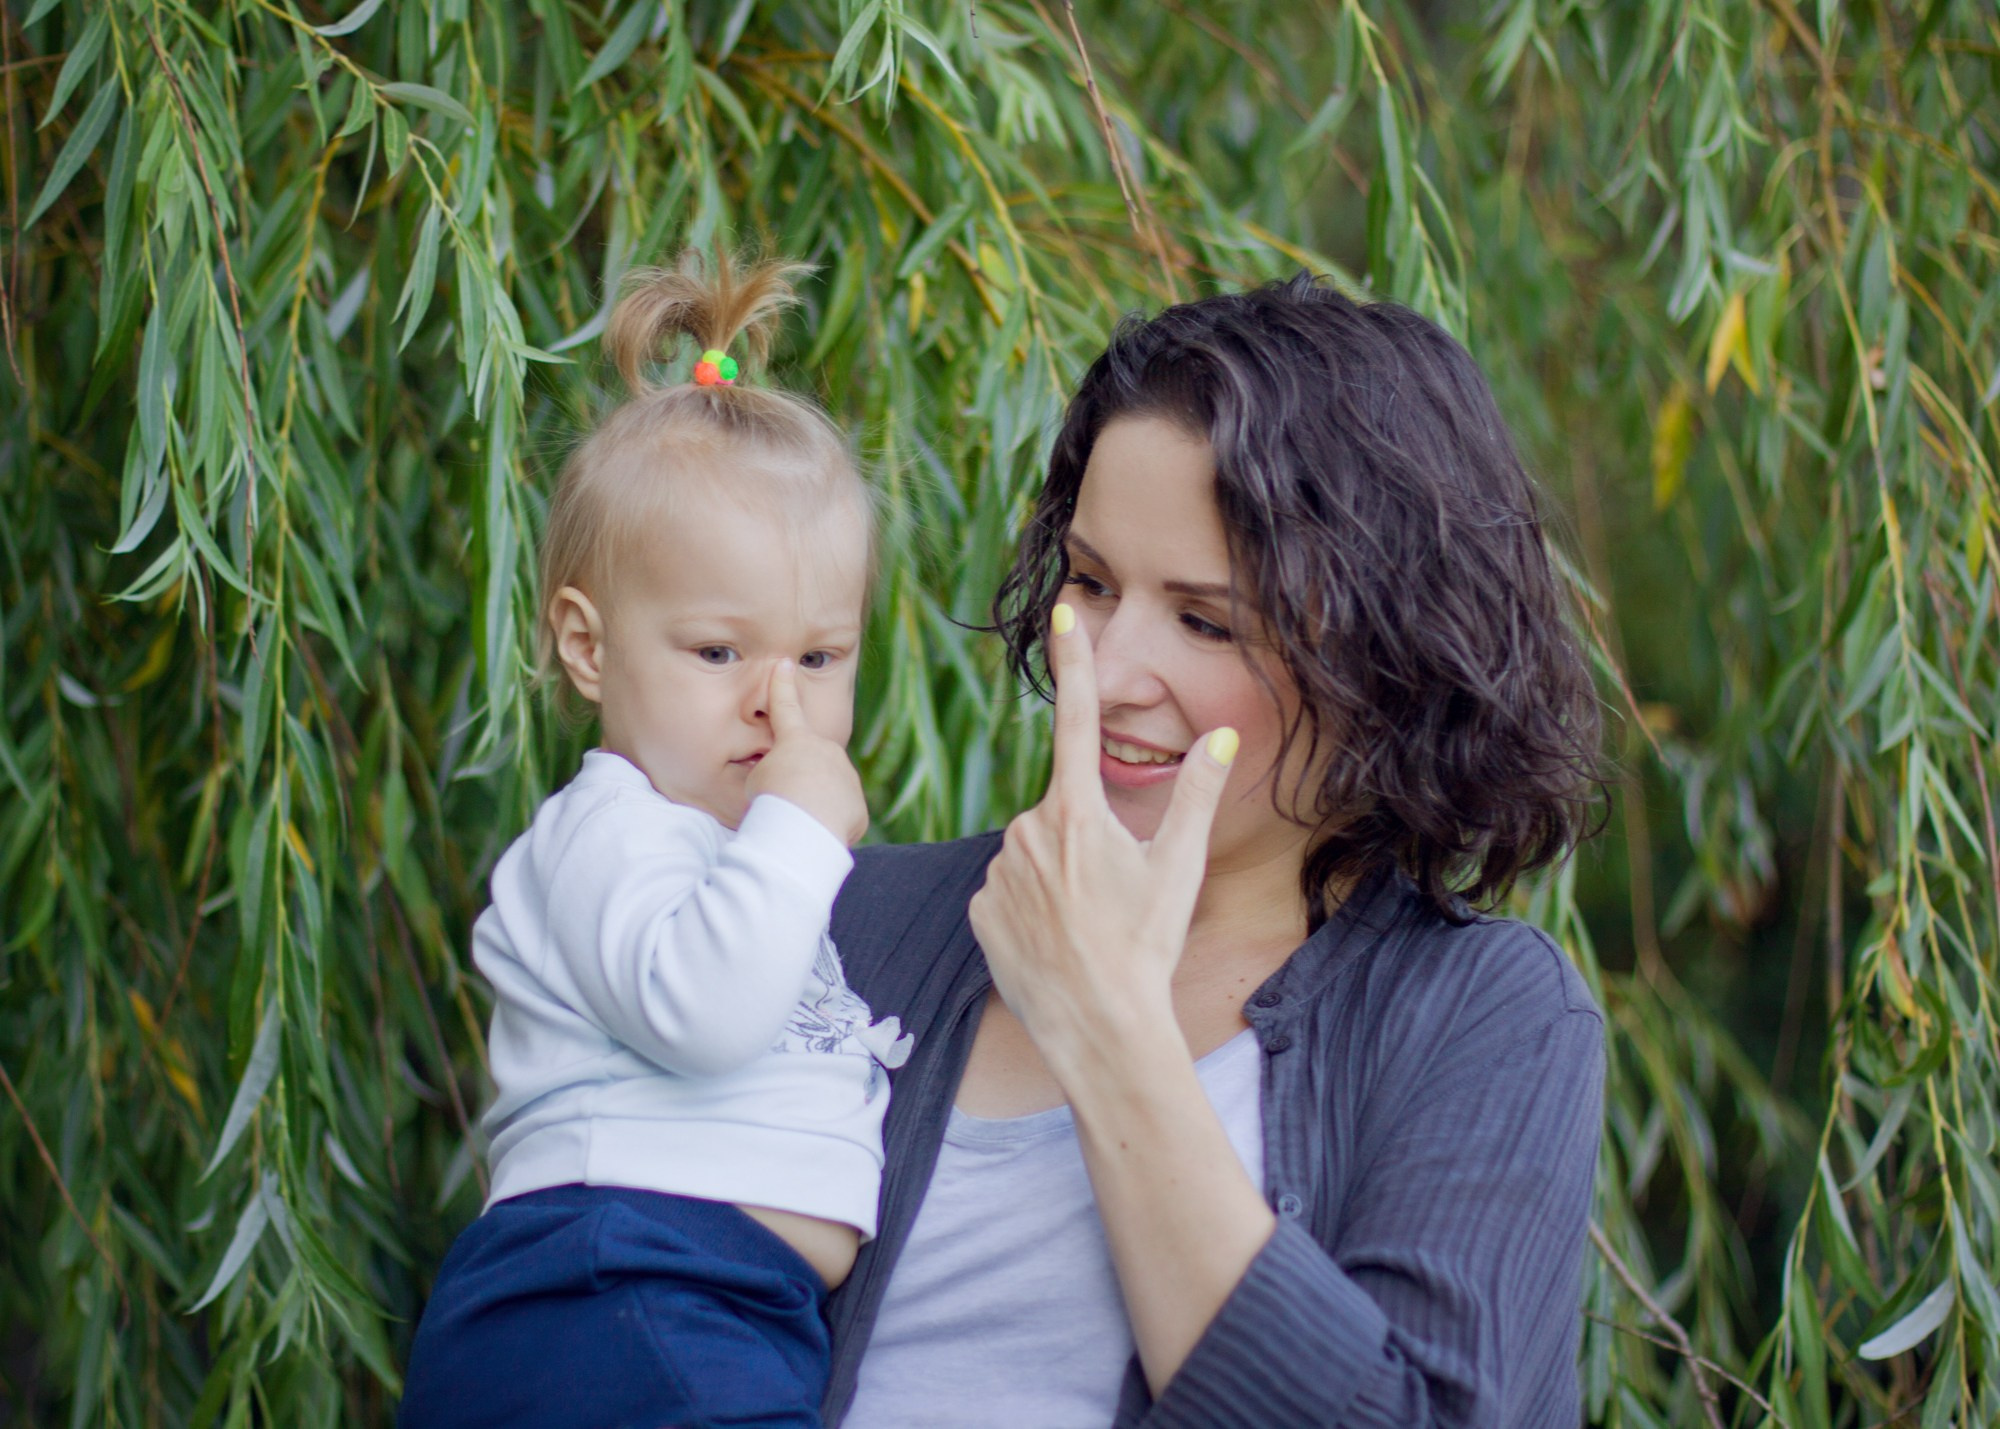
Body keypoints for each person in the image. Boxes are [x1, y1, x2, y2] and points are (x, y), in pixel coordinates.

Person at [825, 274, 1607, 1427]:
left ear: (1387, 659)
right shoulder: (858, 925)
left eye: (1205, 620)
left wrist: (1107, 1028)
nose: (1108, 665)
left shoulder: (1482, 1017)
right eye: (1089, 583)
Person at [399, 250, 909, 1429]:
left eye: (818, 658)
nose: (774, 706)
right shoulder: (603, 835)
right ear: (586, 646)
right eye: (719, 652)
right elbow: (705, 1011)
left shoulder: (744, 858)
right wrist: (797, 830)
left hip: (721, 1306)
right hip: (610, 1284)